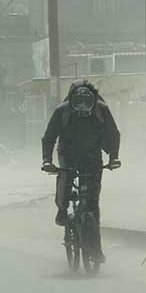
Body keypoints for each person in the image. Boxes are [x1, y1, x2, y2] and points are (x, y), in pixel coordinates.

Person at [41, 80, 121, 254]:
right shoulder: (62, 111)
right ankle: (62, 210)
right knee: (65, 179)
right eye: (78, 103)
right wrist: (47, 161)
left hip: (92, 156)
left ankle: (97, 249)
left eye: (88, 103)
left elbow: (113, 134)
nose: (83, 108)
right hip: (67, 154)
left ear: (94, 101)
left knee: (93, 202)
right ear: (72, 102)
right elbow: (49, 137)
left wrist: (114, 158)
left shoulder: (102, 110)